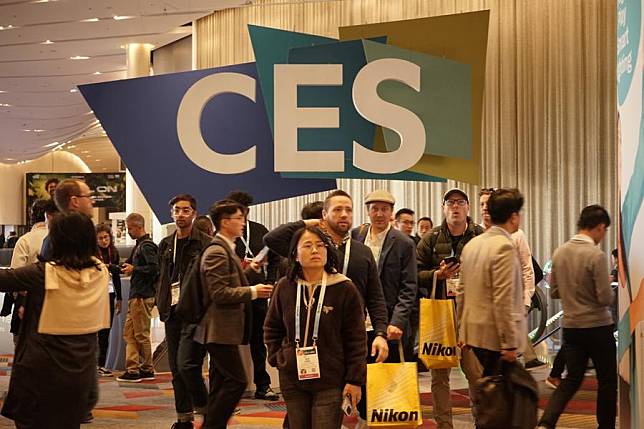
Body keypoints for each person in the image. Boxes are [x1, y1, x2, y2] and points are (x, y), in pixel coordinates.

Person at [264, 190, 389, 426]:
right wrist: (278, 357)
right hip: (296, 368)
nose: (314, 250)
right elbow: (272, 239)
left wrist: (380, 332)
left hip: (335, 361)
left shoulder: (360, 255)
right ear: (324, 215)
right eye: (337, 209)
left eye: (349, 210)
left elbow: (375, 297)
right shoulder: (288, 283)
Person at [0, 212, 110, 429]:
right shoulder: (100, 270)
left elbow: (4, 279)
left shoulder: (44, 273)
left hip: (40, 373)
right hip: (80, 373)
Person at [264, 226, 366, 429]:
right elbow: (272, 328)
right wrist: (279, 358)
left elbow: (356, 339)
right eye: (308, 245)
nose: (315, 251)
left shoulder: (344, 288)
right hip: (293, 377)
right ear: (294, 254)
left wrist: (355, 379)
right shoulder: (285, 286)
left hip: (331, 378)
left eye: (321, 246)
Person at [194, 199, 274, 429]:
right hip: (219, 329)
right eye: (238, 218)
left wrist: (251, 271)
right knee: (237, 381)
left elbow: (231, 283)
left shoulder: (227, 248)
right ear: (225, 222)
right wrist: (253, 291)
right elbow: (219, 293)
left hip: (225, 330)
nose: (242, 222)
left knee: (221, 381)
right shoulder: (216, 252)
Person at [538, 205, 616, 429]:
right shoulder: (596, 255)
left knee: (571, 380)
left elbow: (554, 293)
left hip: (571, 328)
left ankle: (546, 422)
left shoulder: (560, 252)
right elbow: (603, 297)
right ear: (600, 227)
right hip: (598, 328)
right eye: (604, 230)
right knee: (607, 382)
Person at [416, 188, 484, 429]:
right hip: (440, 314)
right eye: (450, 203)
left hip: (471, 315)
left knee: (475, 373)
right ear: (444, 208)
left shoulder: (479, 235)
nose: (455, 207)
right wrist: (438, 274)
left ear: (467, 208)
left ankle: (482, 421)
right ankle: (445, 425)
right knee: (439, 376)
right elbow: (414, 274)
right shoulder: (431, 238)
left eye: (460, 202)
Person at [156, 195, 211, 428]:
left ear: (194, 214)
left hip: (196, 314)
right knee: (176, 369)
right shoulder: (166, 244)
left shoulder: (206, 243)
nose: (180, 214)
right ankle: (184, 418)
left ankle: (208, 410)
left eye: (185, 210)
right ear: (171, 214)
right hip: (172, 312)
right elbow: (162, 277)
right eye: (177, 210)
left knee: (189, 366)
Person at [459, 188, 527, 374]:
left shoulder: (473, 245)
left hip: (474, 334)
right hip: (495, 339)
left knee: (491, 389)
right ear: (513, 216)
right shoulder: (504, 247)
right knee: (501, 395)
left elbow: (461, 292)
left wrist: (462, 330)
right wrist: (509, 343)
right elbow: (503, 299)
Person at [479, 188, 547, 371]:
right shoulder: (478, 238)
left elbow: (527, 267)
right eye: (482, 205)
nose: (485, 209)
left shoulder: (516, 236)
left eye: (488, 205)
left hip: (512, 301)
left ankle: (528, 358)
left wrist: (526, 298)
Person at [226, 191, 281, 401]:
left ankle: (262, 385)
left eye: (242, 212)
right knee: (228, 343)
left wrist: (270, 282)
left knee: (258, 342)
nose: (240, 217)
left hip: (258, 295)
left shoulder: (259, 232)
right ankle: (230, 388)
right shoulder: (223, 236)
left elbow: (275, 257)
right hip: (232, 297)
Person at [352, 190, 417, 361]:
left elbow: (409, 287)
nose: (379, 214)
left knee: (388, 379)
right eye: (375, 209)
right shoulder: (356, 235)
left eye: (385, 209)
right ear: (368, 211)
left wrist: (397, 321)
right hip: (358, 321)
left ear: (391, 213)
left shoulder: (404, 243)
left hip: (389, 322)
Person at [117, 213, 159, 382]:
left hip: (143, 295)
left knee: (141, 334)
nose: (128, 232)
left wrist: (135, 270)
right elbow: (126, 265)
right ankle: (133, 369)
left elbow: (154, 269)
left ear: (138, 226)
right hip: (136, 295)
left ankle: (147, 368)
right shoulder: (139, 246)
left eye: (129, 228)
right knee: (129, 334)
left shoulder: (147, 246)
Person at [96, 223, 123, 377]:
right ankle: (94, 364)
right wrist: (110, 267)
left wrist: (119, 297)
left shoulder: (114, 252)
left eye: (106, 237)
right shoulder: (92, 253)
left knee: (106, 330)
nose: (104, 240)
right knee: (95, 331)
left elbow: (117, 274)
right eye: (100, 238)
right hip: (96, 294)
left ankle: (102, 364)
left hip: (110, 293)